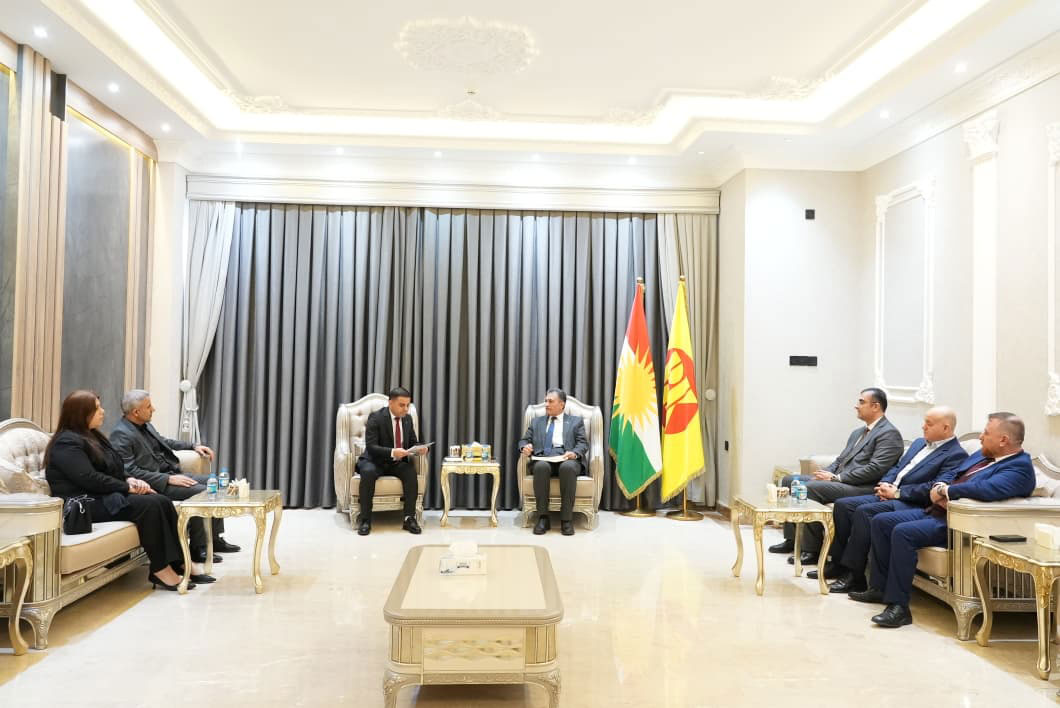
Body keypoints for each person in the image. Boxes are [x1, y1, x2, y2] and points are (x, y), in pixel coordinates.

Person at [851, 412, 1035, 628]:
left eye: (986, 433)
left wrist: (947, 491)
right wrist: (940, 486)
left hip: (958, 524)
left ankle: (899, 608)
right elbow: (953, 474)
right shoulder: (982, 454)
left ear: (1003, 440)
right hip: (936, 510)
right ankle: (879, 589)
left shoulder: (1020, 468)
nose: (981, 437)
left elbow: (986, 488)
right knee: (881, 521)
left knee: (903, 532)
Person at [44, 390, 203, 591]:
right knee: (149, 506)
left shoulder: (92, 436)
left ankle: (178, 561)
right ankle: (160, 569)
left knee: (161, 500)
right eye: (97, 408)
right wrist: (127, 487)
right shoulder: (66, 442)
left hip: (102, 494)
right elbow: (89, 478)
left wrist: (130, 479)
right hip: (85, 504)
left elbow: (113, 467)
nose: (103, 411)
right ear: (81, 413)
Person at [812, 406, 967, 592]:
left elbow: (933, 487)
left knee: (864, 512)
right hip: (890, 493)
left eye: (929, 423)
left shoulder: (956, 454)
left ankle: (855, 575)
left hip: (911, 502)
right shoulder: (919, 443)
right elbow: (897, 467)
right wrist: (885, 484)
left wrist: (897, 493)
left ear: (946, 428)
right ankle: (838, 564)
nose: (923, 426)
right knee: (843, 506)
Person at [771, 387, 904, 564]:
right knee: (790, 481)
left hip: (862, 487)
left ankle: (811, 550)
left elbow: (876, 469)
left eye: (861, 402)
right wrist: (826, 473)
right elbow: (841, 460)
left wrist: (836, 478)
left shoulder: (889, 434)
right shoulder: (858, 432)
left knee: (809, 489)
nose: (856, 406)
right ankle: (792, 539)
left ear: (875, 406)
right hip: (841, 481)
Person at [110, 389, 240, 565]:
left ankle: (214, 538)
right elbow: (129, 471)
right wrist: (167, 479)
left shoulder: (145, 425)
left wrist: (193, 446)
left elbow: (164, 442)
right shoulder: (121, 435)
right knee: (202, 492)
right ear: (136, 412)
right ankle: (198, 547)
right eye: (149, 406)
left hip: (170, 473)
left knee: (215, 483)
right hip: (156, 483)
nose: (153, 409)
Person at [355, 386, 428, 536]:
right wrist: (393, 452)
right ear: (390, 403)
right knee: (368, 472)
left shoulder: (407, 419)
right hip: (374, 460)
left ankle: (409, 518)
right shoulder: (376, 418)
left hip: (396, 462)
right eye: (402, 405)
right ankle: (365, 520)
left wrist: (422, 448)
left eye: (407, 405)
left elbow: (413, 442)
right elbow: (371, 446)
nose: (406, 409)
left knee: (410, 473)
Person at [517, 388, 588, 536]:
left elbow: (583, 443)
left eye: (550, 401)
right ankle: (543, 518)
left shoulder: (575, 421)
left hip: (567, 458)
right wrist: (525, 447)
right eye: (546, 401)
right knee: (541, 467)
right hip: (544, 458)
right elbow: (524, 440)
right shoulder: (537, 422)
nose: (546, 404)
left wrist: (574, 453)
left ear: (562, 404)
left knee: (567, 468)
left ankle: (566, 520)